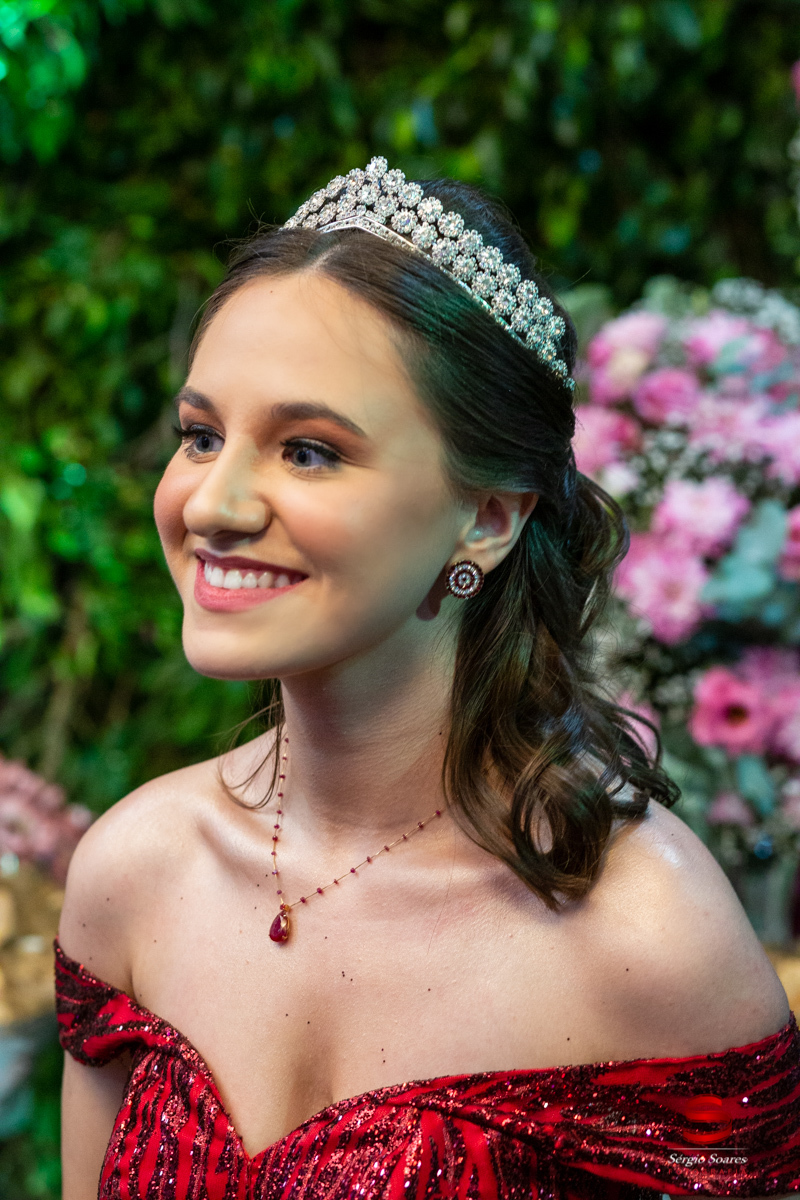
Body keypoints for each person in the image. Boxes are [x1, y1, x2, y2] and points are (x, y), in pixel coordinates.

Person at [57, 158, 800, 1200]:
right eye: (201, 436)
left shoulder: (647, 940)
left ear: (486, 517)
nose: (213, 505)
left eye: (308, 451)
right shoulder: (132, 873)